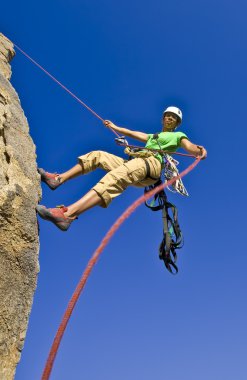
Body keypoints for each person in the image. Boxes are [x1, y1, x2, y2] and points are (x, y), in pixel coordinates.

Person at [36, 106, 207, 231]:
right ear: (163, 118)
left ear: (177, 123)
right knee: (98, 155)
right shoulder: (153, 136)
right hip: (137, 162)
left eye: (173, 118)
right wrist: (114, 127)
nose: (169, 118)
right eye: (167, 116)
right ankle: (58, 179)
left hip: (151, 165)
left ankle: (67, 214)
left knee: (115, 177)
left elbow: (188, 146)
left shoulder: (177, 135)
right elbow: (133, 133)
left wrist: (199, 150)